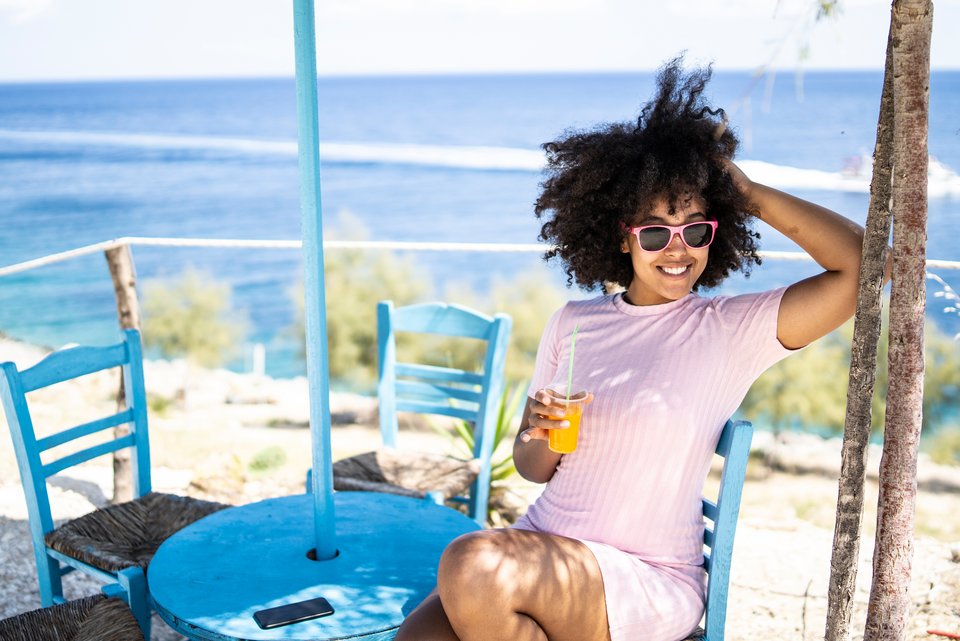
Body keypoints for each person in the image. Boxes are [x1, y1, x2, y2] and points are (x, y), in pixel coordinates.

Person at [396, 58, 880, 641]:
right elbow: (533, 471)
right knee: (417, 635)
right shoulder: (573, 324)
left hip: (647, 578)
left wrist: (745, 191)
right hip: (547, 545)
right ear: (621, 236)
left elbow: (860, 267)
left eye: (695, 229)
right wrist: (533, 432)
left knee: (470, 562)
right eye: (655, 231)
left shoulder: (728, 330)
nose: (677, 249)